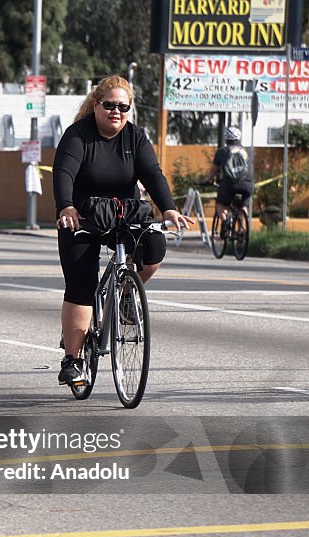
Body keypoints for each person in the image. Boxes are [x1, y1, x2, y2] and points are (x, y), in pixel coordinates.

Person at [52, 75, 192, 386]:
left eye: (123, 106)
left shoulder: (135, 137)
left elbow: (152, 174)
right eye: (110, 105)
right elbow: (63, 173)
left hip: (124, 213)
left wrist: (168, 207)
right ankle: (73, 360)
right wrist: (65, 207)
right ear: (97, 104)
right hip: (83, 217)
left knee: (155, 246)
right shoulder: (78, 136)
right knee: (81, 285)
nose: (116, 111)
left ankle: (126, 291)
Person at [208, 126, 254, 223]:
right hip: (247, 184)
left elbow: (214, 170)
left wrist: (208, 179)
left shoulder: (222, 152)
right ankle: (242, 233)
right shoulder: (247, 151)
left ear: (226, 139)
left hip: (229, 184)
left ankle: (225, 224)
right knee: (243, 206)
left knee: (220, 204)